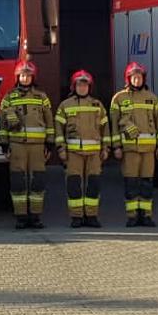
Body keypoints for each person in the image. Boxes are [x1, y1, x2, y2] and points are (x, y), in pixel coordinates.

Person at [0, 59, 53, 229]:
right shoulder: (9, 98)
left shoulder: (42, 97)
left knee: (37, 182)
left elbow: (49, 121)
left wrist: (49, 144)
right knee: (18, 182)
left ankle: (35, 217)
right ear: (17, 77)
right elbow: (3, 124)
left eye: (28, 76)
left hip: (37, 146)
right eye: (22, 75)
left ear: (33, 77)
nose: (25, 78)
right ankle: (21, 217)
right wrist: (4, 145)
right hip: (17, 145)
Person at [110, 62, 158, 227]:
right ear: (128, 79)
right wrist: (116, 147)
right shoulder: (119, 98)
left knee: (147, 183)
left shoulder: (152, 98)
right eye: (134, 77)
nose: (137, 80)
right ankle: (132, 216)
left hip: (149, 150)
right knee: (131, 183)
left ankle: (146, 216)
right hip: (129, 150)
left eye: (139, 77)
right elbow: (113, 125)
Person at [53, 69, 110, 228]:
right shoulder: (65, 105)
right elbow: (58, 129)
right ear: (74, 86)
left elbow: (105, 129)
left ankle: (91, 216)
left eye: (85, 85)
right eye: (79, 85)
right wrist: (61, 149)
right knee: (74, 185)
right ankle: (76, 217)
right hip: (73, 153)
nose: (82, 88)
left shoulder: (97, 105)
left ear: (90, 87)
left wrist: (106, 148)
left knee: (93, 185)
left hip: (94, 154)